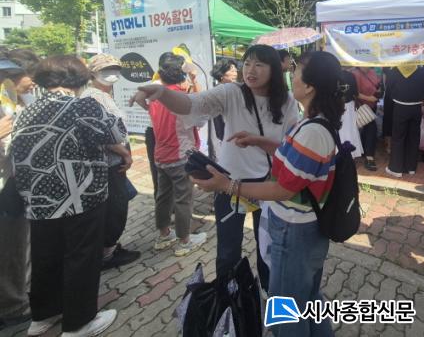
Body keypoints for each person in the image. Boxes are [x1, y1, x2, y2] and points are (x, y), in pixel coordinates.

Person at [192, 51, 343, 337]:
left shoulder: (312, 131)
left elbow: (283, 188)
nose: (291, 75)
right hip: (305, 230)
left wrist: (227, 186)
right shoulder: (312, 123)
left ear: (310, 86)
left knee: (285, 313)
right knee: (309, 299)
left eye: (297, 71)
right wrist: (260, 141)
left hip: (294, 232)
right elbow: (294, 158)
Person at [130, 45, 299, 288]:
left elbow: (289, 145)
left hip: (267, 185)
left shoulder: (287, 101)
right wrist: (162, 93)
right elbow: (192, 104)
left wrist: (260, 141)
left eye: (259, 64)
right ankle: (227, 296)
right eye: (247, 63)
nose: (250, 70)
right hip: (228, 182)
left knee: (267, 245)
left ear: (274, 69)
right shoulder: (231, 92)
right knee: (228, 249)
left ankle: (267, 288)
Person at [12, 55, 127, 337]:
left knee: (45, 255)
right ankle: (79, 322)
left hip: (38, 197)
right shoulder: (82, 105)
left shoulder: (26, 110)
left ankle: (43, 316)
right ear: (78, 77)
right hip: (80, 194)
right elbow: (116, 133)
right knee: (82, 256)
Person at [144, 54, 207, 257]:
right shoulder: (183, 99)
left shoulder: (155, 96)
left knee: (163, 197)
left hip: (161, 156)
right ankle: (184, 241)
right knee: (183, 199)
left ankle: (164, 235)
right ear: (182, 75)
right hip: (180, 156)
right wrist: (195, 81)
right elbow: (201, 118)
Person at [81, 54, 139, 270]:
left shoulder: (104, 94)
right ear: (93, 73)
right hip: (107, 162)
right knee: (115, 207)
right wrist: (124, 152)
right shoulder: (92, 97)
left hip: (114, 160)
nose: (112, 74)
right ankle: (106, 253)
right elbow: (98, 132)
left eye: (115, 69)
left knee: (116, 203)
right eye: (105, 70)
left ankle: (108, 248)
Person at [0, 58, 30, 332]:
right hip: (5, 191)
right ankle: (12, 307)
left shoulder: (10, 103)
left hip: (12, 185)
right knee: (10, 248)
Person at [386, 66, 424, 177]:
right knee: (413, 138)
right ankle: (411, 168)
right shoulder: (421, 71)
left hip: (400, 106)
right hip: (416, 107)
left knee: (398, 138)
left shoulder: (395, 70)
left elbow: (389, 87)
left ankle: (396, 169)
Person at [353, 67, 381, 171]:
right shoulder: (355, 74)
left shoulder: (373, 72)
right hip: (361, 106)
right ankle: (369, 157)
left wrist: (378, 91)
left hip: (372, 106)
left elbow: (377, 85)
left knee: (367, 129)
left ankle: (365, 151)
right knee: (372, 128)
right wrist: (369, 98)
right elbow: (354, 93)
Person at [210, 59, 239, 143]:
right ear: (221, 74)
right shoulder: (218, 91)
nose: (235, 74)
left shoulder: (234, 89)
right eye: (232, 71)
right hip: (226, 135)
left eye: (235, 71)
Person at [338, 69, 363, 159]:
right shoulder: (350, 75)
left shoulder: (332, 73)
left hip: (336, 105)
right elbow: (355, 93)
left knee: (340, 129)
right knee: (350, 128)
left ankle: (338, 152)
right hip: (348, 105)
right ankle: (352, 153)